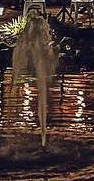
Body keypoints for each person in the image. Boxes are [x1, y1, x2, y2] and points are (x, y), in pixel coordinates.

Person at [10, 9, 59, 146]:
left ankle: (44, 138)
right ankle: (43, 138)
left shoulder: (29, 43)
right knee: (42, 90)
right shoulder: (32, 44)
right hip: (38, 56)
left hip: (38, 55)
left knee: (42, 89)